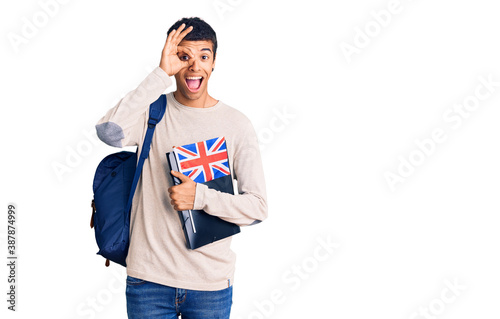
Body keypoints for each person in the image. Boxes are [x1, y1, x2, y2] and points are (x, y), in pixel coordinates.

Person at [95, 17, 268, 318]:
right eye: (183, 56)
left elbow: (257, 207)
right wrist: (160, 74)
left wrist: (200, 198)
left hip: (210, 284)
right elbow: (109, 132)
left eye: (203, 56)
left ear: (214, 63)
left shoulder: (237, 125)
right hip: (149, 279)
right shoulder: (152, 111)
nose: (194, 66)